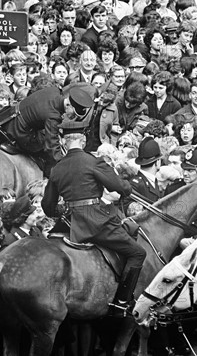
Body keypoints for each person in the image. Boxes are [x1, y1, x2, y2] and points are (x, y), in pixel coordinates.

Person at [42, 121, 145, 317]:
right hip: (97, 222)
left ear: (64, 141)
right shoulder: (93, 161)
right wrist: (127, 188)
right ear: (83, 140)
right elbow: (120, 187)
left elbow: (47, 206)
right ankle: (122, 302)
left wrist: (62, 209)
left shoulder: (57, 168)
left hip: (70, 222)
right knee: (137, 253)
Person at [3, 83, 95, 177]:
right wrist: (64, 163)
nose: (73, 117)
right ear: (68, 104)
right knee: (46, 153)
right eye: (73, 114)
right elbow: (51, 146)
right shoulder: (53, 117)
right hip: (19, 131)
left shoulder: (54, 90)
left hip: (9, 115)